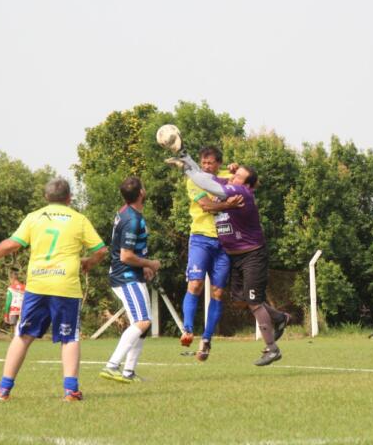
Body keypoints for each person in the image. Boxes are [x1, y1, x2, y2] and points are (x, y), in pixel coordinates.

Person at [0, 178, 108, 402]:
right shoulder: (79, 220)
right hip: (66, 287)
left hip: (38, 285)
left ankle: (3, 390)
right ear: (69, 198)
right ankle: (71, 391)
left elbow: (12, 244)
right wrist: (89, 262)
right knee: (69, 337)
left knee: (23, 335)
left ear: (46, 198)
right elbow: (101, 250)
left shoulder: (34, 217)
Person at [167, 153, 290, 366]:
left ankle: (272, 349)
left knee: (252, 301)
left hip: (252, 255)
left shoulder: (240, 192)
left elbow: (209, 184)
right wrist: (187, 159)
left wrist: (186, 168)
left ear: (247, 185)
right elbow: (207, 177)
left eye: (238, 176)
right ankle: (279, 318)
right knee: (239, 298)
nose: (232, 177)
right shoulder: (232, 183)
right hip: (236, 256)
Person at [180, 146, 243, 361]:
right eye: (203, 163)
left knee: (217, 293)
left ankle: (206, 339)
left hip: (224, 242)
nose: (206, 167)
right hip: (200, 239)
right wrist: (229, 205)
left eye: (211, 163)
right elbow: (206, 206)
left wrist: (238, 170)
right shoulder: (193, 180)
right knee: (195, 285)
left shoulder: (226, 177)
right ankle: (188, 329)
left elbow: (253, 183)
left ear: (218, 164)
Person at [99, 176, 161, 382]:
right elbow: (125, 255)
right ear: (141, 193)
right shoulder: (132, 219)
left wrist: (143, 267)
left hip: (132, 274)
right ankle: (112, 365)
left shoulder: (127, 212)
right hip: (125, 277)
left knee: (142, 324)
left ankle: (128, 372)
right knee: (142, 322)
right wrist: (150, 263)